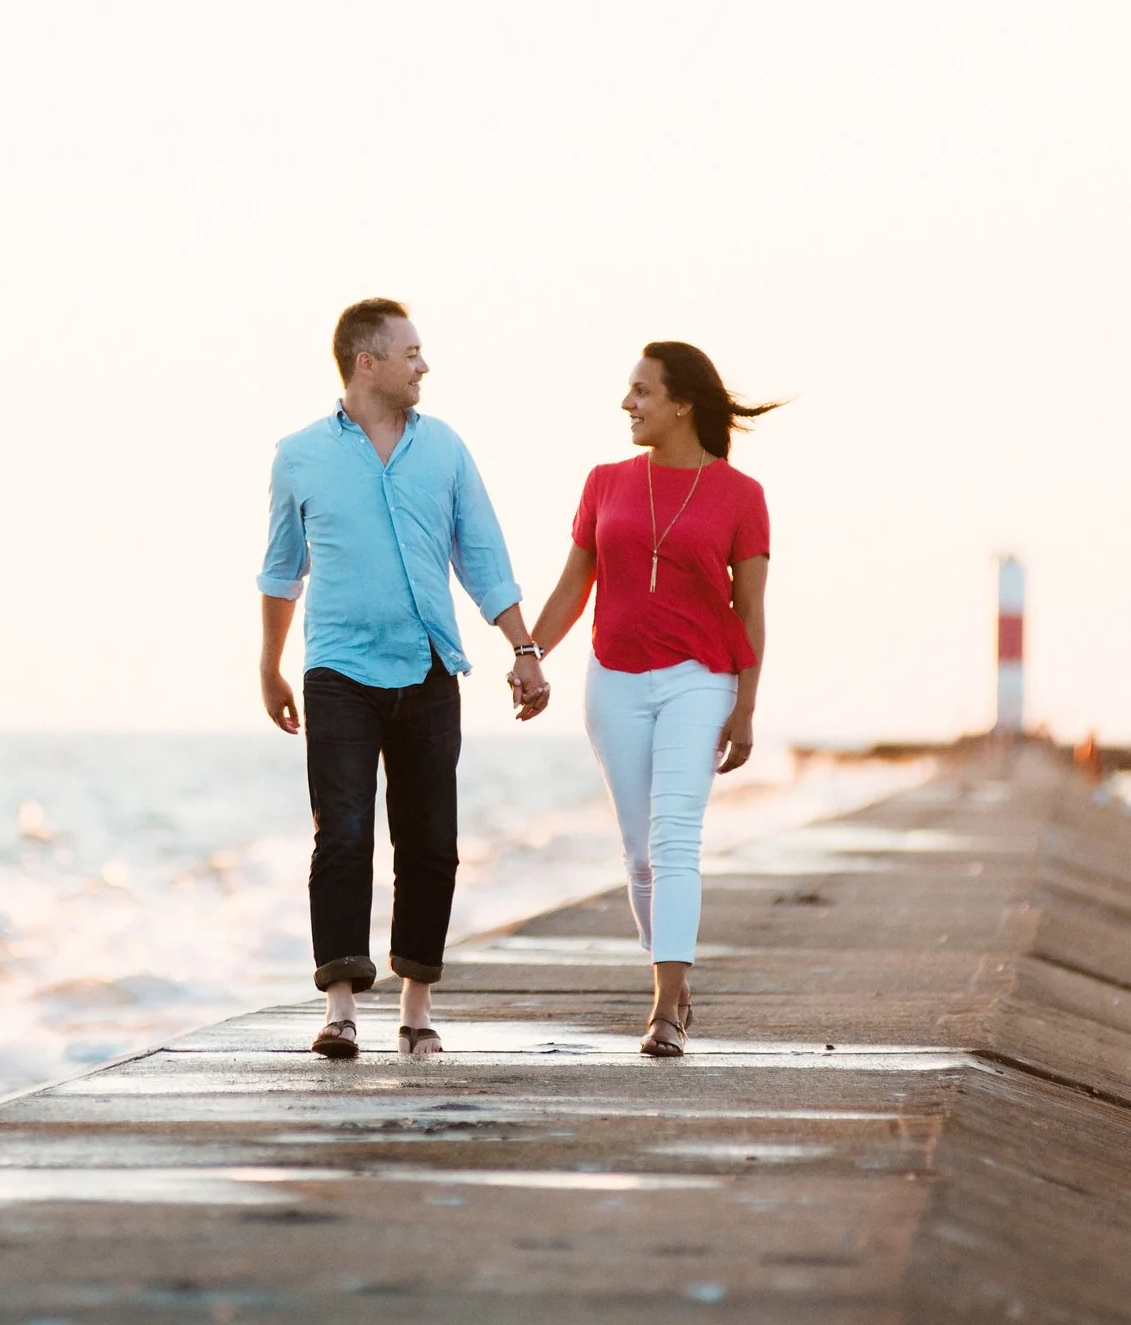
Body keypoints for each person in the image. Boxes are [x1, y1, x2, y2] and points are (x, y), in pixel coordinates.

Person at [257, 298, 550, 1060]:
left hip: (426, 667)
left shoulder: (445, 449)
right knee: (343, 835)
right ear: (367, 362)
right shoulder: (299, 455)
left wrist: (524, 650)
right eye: (411, 352)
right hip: (337, 672)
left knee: (430, 844)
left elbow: (482, 558)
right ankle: (341, 1007)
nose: (424, 365)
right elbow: (282, 571)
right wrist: (269, 665)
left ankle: (415, 1006)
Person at [525, 342, 776, 1057]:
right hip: (615, 679)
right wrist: (530, 655)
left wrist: (746, 705)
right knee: (639, 856)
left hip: (702, 677)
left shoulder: (741, 496)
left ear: (681, 403)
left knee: (674, 840)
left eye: (641, 392)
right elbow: (575, 585)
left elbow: (751, 610)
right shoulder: (605, 482)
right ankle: (674, 980)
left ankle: (665, 1008)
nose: (628, 405)